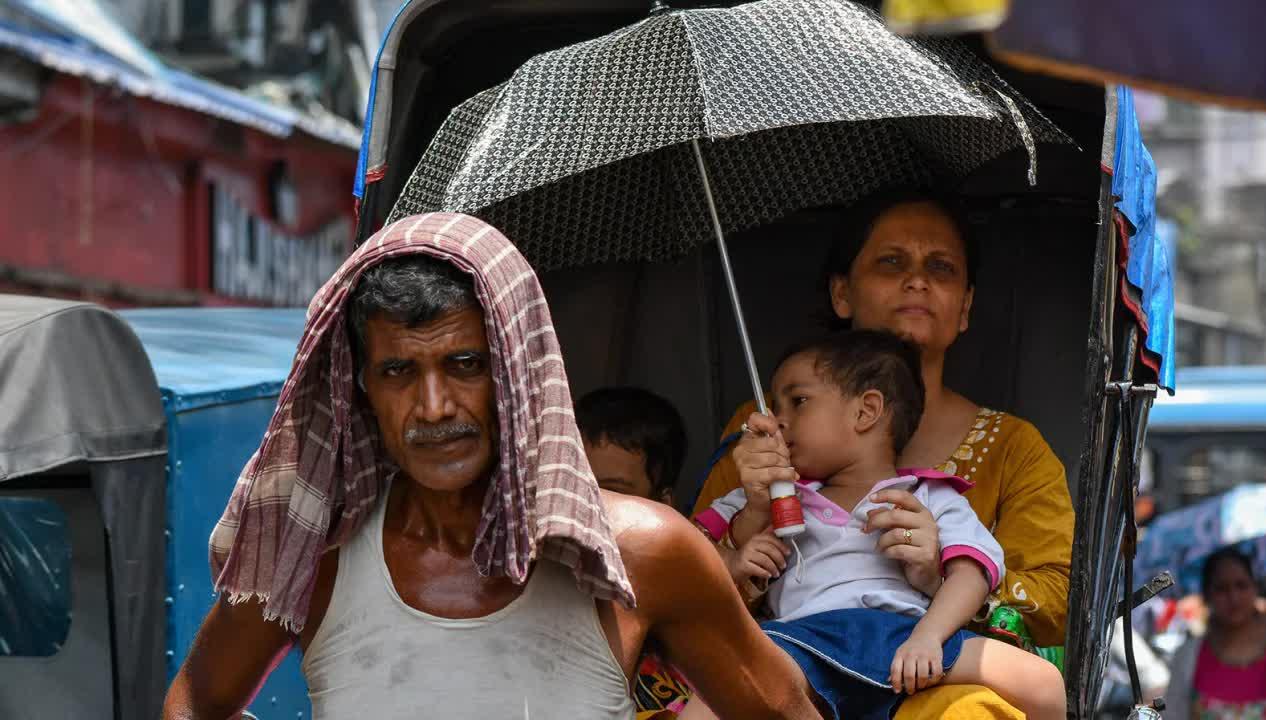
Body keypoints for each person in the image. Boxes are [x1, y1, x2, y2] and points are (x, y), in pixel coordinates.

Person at [161, 213, 820, 720]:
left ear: (517, 373)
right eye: (398, 372)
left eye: (465, 365)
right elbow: (196, 698)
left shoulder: (644, 554)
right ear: (361, 388)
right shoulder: (321, 553)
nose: (434, 406)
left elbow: (786, 711)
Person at [690, 190, 1076, 719]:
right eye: (891, 262)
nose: (917, 281)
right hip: (793, 673)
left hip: (935, 676)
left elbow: (1057, 601)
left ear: (964, 306)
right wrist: (746, 543)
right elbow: (690, 576)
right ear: (842, 293)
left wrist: (938, 581)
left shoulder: (1015, 448)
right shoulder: (765, 428)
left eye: (940, 268)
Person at [576, 386, 696, 717]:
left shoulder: (689, 598)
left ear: (662, 505)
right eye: (575, 485)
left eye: (612, 492)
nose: (589, 506)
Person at [1164, 548, 1266, 720]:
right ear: (1207, 595)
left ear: (1255, 588)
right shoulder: (1187, 656)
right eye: (1221, 589)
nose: (1233, 597)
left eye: (1241, 585)